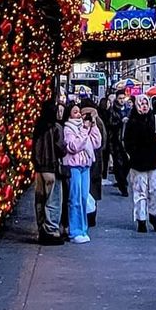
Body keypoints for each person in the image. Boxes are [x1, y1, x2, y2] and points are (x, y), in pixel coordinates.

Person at [123, 93, 156, 232]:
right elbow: (127, 141)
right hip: (138, 162)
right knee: (140, 191)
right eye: (141, 104)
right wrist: (132, 155)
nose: (144, 106)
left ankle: (153, 214)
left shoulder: (154, 118)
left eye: (146, 103)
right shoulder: (132, 121)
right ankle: (141, 219)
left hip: (154, 160)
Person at [62, 102, 101, 243]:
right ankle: (75, 230)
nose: (78, 115)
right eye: (75, 112)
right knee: (75, 198)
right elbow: (73, 146)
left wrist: (93, 126)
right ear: (69, 115)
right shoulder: (68, 129)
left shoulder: (83, 127)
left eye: (79, 112)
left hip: (85, 166)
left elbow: (96, 143)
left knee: (84, 198)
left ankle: (83, 229)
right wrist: (84, 131)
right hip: (74, 166)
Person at [32, 100, 66, 244]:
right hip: (51, 168)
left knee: (40, 199)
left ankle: (41, 228)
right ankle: (51, 230)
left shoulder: (38, 127)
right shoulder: (56, 128)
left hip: (39, 169)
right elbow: (61, 148)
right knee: (53, 200)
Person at [80, 99, 106, 225]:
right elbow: (104, 141)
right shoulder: (98, 121)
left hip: (84, 160)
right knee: (94, 189)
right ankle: (92, 216)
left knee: (85, 189)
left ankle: (86, 215)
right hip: (97, 160)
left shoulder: (81, 121)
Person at [109, 88, 131, 196]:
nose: (122, 100)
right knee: (118, 163)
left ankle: (123, 180)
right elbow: (110, 123)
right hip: (116, 140)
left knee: (127, 163)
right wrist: (120, 122)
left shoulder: (129, 109)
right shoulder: (113, 110)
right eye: (120, 98)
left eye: (123, 98)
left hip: (127, 140)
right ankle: (122, 185)